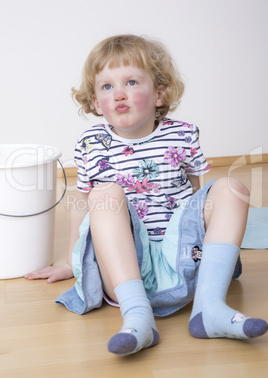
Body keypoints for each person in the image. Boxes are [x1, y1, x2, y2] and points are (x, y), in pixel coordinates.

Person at [25, 34, 267, 355]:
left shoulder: (182, 134)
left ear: (159, 94)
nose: (119, 94)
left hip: (181, 258)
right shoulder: (90, 142)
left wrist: (215, 245)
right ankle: (138, 316)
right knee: (104, 193)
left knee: (231, 188)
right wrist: (73, 262)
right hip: (125, 268)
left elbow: (200, 197)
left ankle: (209, 307)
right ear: (96, 102)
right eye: (107, 87)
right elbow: (82, 203)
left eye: (132, 82)